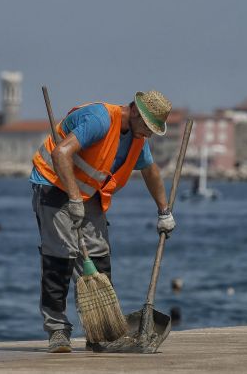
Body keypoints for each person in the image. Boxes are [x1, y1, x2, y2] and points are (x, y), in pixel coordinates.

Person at [30, 90, 176, 353]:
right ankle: (58, 331)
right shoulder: (100, 120)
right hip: (53, 184)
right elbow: (61, 153)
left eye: (154, 129)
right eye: (147, 127)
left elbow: (150, 171)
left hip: (88, 193)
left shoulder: (137, 137)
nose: (149, 134)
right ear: (133, 110)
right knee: (60, 257)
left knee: (98, 257)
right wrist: (74, 199)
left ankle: (98, 332)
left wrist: (164, 211)